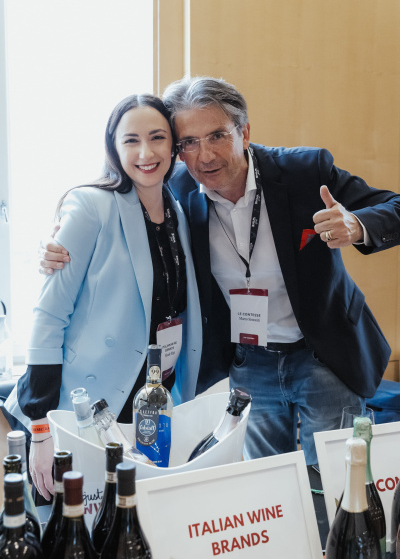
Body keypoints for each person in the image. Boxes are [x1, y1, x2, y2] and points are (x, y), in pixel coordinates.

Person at [38, 77, 400, 466]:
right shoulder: (175, 191)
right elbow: (113, 209)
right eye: (188, 143)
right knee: (264, 481)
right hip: (249, 363)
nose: (205, 155)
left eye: (217, 136)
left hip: (323, 355)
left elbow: (394, 206)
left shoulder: (304, 171)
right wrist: (58, 243)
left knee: (333, 479)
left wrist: (357, 225)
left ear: (245, 133)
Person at [4, 93, 202, 501]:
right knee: (74, 522)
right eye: (131, 140)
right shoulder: (91, 205)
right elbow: (48, 317)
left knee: (135, 519)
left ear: (174, 145)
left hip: (151, 402)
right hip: (83, 407)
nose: (145, 153)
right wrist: (41, 430)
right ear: (113, 147)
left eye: (157, 137)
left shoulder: (177, 210)